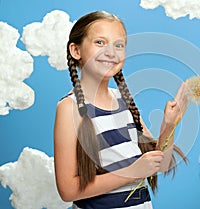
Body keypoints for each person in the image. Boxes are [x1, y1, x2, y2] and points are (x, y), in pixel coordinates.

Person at [54, 10, 188, 209]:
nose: (111, 52)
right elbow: (68, 190)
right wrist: (132, 172)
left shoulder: (122, 99)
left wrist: (169, 126)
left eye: (119, 45)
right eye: (100, 42)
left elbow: (159, 164)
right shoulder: (69, 108)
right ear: (76, 51)